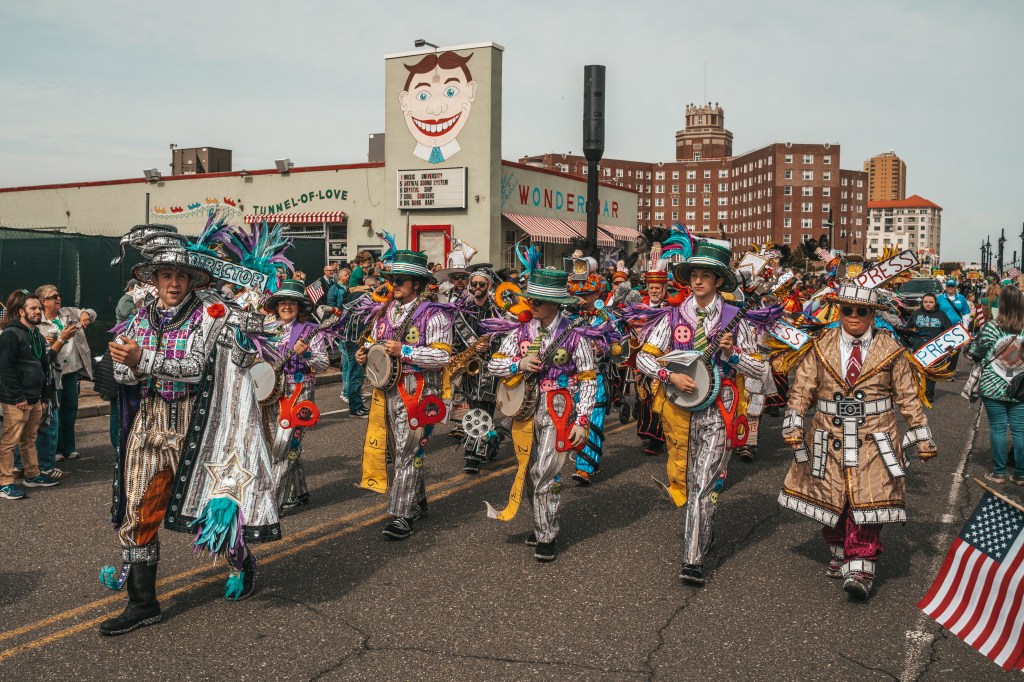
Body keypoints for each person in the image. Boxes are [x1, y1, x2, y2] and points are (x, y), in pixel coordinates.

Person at [101, 223, 282, 635]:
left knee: (213, 507)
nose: (174, 283)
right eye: (167, 275)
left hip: (197, 424)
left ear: (191, 280)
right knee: (138, 512)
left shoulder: (208, 316)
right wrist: (126, 366)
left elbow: (195, 368)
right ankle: (143, 603)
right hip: (149, 423)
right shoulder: (139, 318)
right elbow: (122, 376)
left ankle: (241, 562)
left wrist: (141, 359)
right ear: (153, 280)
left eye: (181, 276)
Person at [779, 283, 937, 599]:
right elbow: (802, 389)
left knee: (868, 500)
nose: (853, 316)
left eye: (861, 311)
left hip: (876, 438)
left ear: (872, 315)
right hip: (828, 436)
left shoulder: (890, 349)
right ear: (839, 312)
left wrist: (922, 436)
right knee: (832, 498)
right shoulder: (820, 346)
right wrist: (793, 422)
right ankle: (840, 549)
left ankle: (861, 565)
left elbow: (907, 395)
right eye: (847, 310)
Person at [634, 239, 771, 585]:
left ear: (719, 281)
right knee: (687, 477)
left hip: (719, 413)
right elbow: (643, 357)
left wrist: (736, 355)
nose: (697, 281)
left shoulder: (735, 320)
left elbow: (762, 372)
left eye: (705, 276)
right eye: (693, 275)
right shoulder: (673, 316)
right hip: (680, 412)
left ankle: (691, 559)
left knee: (704, 482)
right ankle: (704, 532)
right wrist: (669, 374)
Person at [485, 268, 595, 562]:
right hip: (523, 409)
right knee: (530, 468)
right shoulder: (518, 333)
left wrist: (582, 420)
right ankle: (540, 523)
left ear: (555, 303)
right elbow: (493, 365)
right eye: (530, 299)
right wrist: (517, 365)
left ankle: (547, 535)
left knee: (545, 470)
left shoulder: (574, 336)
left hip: (559, 408)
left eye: (538, 300)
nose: (531, 304)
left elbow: (588, 379)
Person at [355, 251, 454, 540]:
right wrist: (365, 354)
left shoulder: (435, 314)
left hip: (420, 392)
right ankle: (418, 500)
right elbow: (375, 344)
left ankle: (401, 515)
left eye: (400, 280)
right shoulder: (384, 312)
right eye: (392, 279)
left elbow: (442, 357)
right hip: (387, 392)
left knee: (408, 451)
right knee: (401, 451)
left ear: (417, 284)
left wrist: (406, 350)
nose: (393, 284)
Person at [264, 279, 330, 509]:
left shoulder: (311, 331)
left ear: (300, 307)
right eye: (282, 302)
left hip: (299, 393)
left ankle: (273, 503)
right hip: (272, 394)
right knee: (285, 444)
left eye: (292, 303)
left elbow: (323, 364)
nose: (286, 306)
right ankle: (299, 491)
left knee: (283, 447)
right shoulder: (267, 329)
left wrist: (307, 354)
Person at [0, 290, 61, 500]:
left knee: (29, 439)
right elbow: (5, 369)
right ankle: (5, 483)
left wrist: (44, 397)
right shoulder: (11, 334)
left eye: (39, 308)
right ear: (21, 312)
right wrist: (18, 397)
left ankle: (32, 475)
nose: (38, 312)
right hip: (16, 401)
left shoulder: (35, 334)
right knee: (10, 441)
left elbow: (43, 367)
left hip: (35, 399)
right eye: (32, 308)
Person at [965, 284, 1024, 486]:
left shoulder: (992, 327)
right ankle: (1020, 473)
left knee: (998, 428)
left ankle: (999, 473)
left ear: (1003, 305)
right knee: (1020, 430)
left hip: (993, 385)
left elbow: (974, 353)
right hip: (1020, 387)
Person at [566, 259, 613, 485]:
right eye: (579, 295)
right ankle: (553, 468)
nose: (582, 300)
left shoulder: (606, 318)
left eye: (587, 294)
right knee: (563, 421)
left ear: (597, 293)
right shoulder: (566, 317)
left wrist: (602, 347)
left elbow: (618, 346)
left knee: (592, 422)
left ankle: (585, 468)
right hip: (567, 378)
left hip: (596, 377)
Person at [35, 284, 94, 462]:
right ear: (43, 302)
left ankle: (69, 448)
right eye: (53, 297)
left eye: (59, 295)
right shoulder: (39, 321)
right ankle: (56, 450)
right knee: (54, 413)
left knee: (70, 410)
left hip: (71, 371)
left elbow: (91, 312)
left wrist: (86, 314)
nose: (58, 298)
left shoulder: (69, 312)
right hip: (53, 373)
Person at [454, 265, 504, 474]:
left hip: (490, 368)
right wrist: (470, 347)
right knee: (475, 409)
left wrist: (490, 345)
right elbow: (456, 339)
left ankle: (481, 450)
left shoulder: (498, 310)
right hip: (470, 368)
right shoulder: (463, 310)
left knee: (486, 409)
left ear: (489, 286)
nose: (476, 287)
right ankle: (479, 450)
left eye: (481, 284)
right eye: (473, 283)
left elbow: (507, 339)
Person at [634, 268, 670, 456]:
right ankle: (647, 431)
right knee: (644, 395)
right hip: (642, 356)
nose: (654, 291)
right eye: (651, 287)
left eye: (657, 287)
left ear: (664, 288)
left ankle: (657, 439)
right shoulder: (641, 306)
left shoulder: (671, 308)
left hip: (662, 358)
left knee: (658, 395)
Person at [907, 293, 953, 401]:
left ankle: (929, 393)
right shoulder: (916, 313)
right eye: (925, 302)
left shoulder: (941, 315)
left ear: (935, 303)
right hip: (918, 348)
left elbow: (949, 331)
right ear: (922, 303)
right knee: (917, 371)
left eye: (931, 302)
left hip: (934, 349)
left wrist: (949, 348)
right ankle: (917, 391)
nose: (928, 304)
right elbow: (907, 329)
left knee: (930, 372)